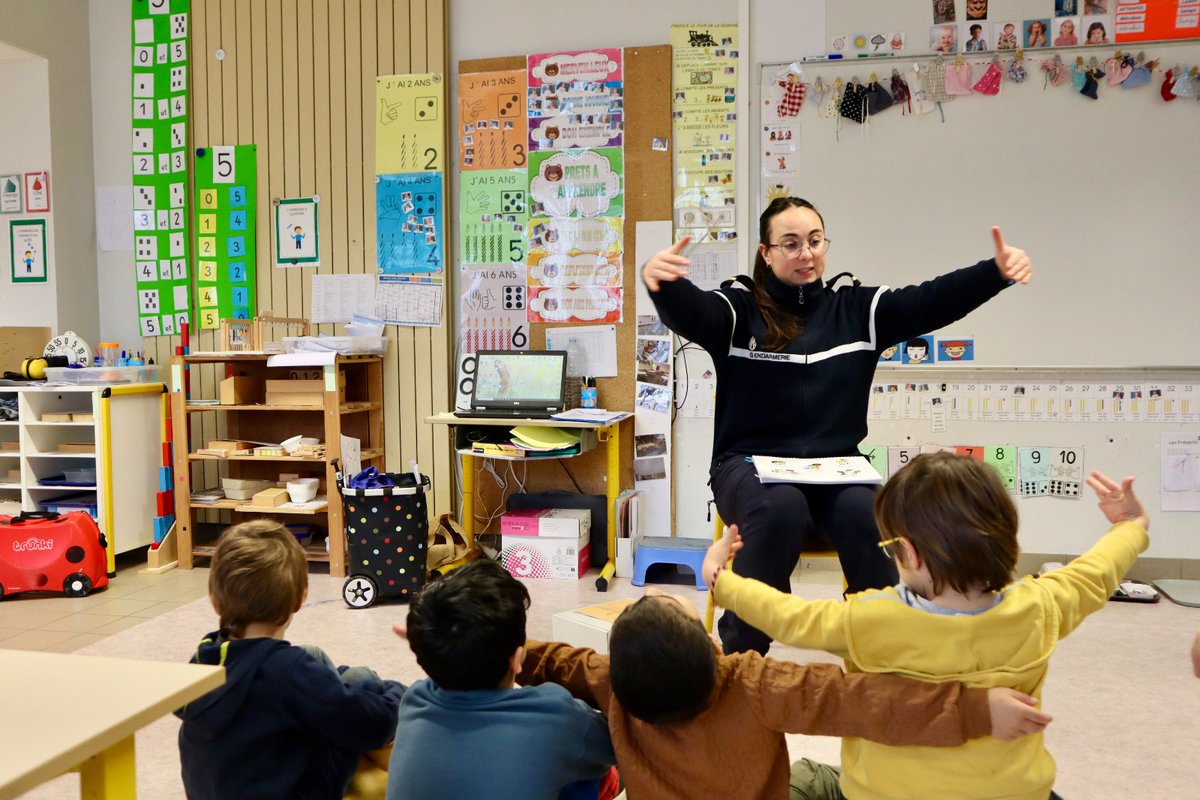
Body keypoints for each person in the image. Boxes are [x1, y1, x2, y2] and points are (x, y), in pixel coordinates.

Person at [641, 196, 1032, 654]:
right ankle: (743, 658)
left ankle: (884, 648)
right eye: (790, 244)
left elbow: (930, 300)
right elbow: (695, 312)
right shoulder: (738, 311)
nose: (805, 253)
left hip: (838, 469)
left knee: (869, 513)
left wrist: (995, 272)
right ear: (766, 253)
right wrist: (664, 285)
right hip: (747, 466)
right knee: (780, 508)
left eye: (814, 241)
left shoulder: (858, 311)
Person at [705, 455, 1148, 800]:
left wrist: (720, 578)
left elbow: (785, 615)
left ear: (911, 555)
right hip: (1014, 792)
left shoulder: (868, 618)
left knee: (805, 778)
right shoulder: (1041, 607)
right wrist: (1131, 526)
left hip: (883, 794)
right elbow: (1096, 573)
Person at [519, 587, 1051, 800]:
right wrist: (978, 710)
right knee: (831, 778)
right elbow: (863, 701)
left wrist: (499, 647)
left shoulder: (611, 681)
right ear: (713, 645)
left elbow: (554, 661)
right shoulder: (753, 682)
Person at [176, 520, 406, 800]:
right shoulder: (288, 672)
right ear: (300, 599)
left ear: (214, 601)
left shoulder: (203, 658)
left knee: (322, 664)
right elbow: (374, 726)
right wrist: (400, 695)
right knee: (363, 682)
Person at [387, 559, 617, 800]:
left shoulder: (413, 700)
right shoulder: (558, 715)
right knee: (594, 773)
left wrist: (433, 639)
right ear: (517, 659)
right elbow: (617, 742)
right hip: (575, 745)